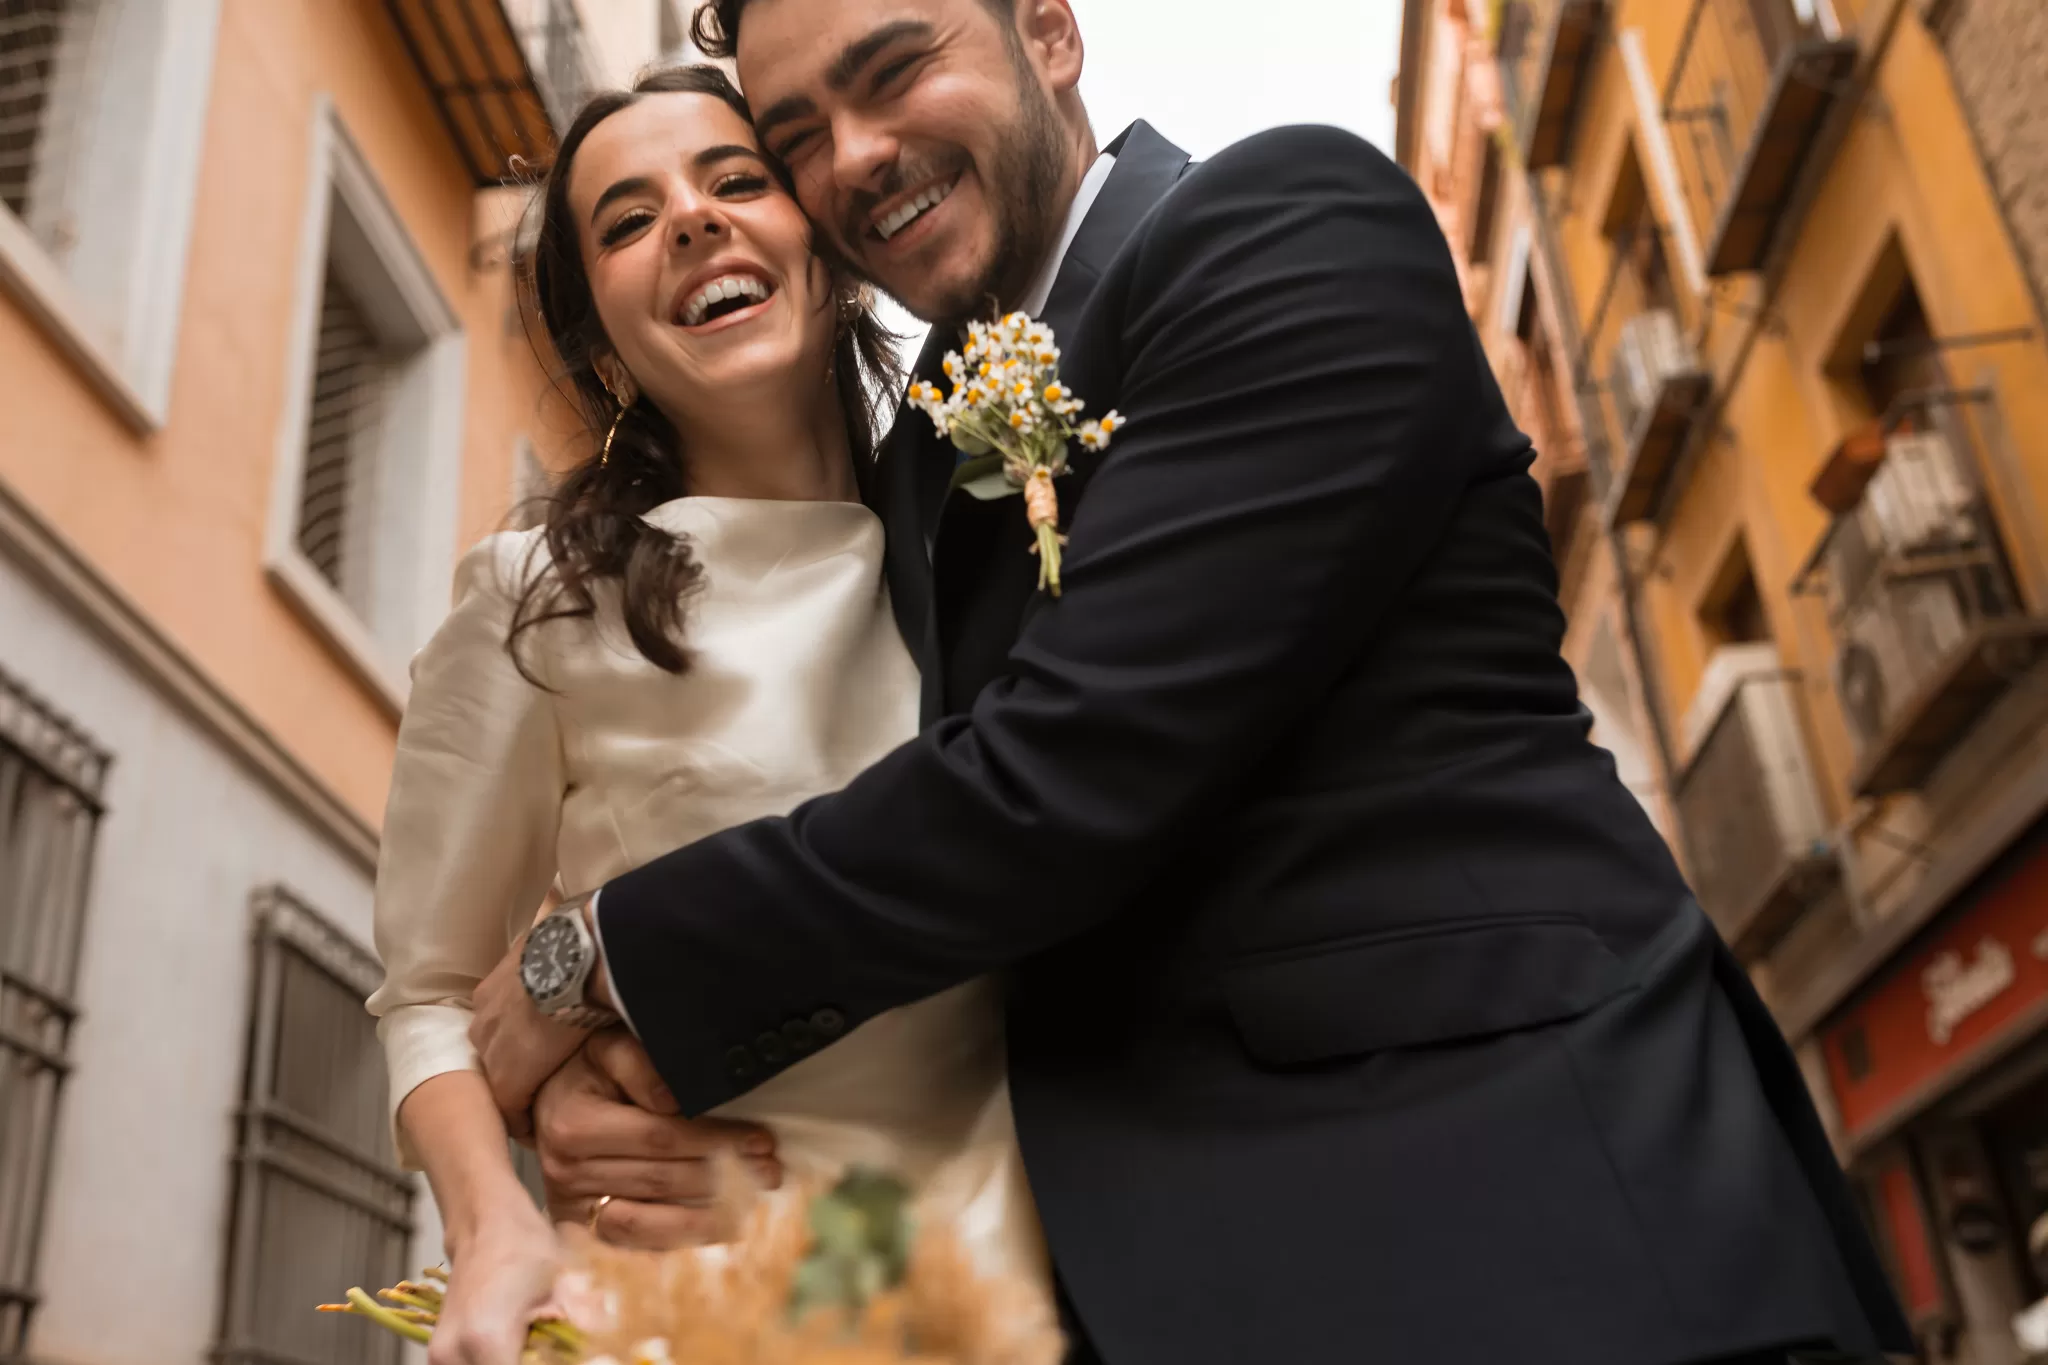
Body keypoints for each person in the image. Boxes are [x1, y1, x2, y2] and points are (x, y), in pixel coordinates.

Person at [470, 2, 1916, 1363]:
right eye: (796, 135)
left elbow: (1061, 780)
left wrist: (602, 961)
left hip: (1521, 1234)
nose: (851, 156)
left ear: (1051, 32)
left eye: (895, 70)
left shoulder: (1285, 226)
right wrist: (626, 1077)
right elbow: (851, 819)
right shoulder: (908, 463)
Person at [366, 65, 1051, 1365]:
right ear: (600, 339)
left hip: (1022, 1292)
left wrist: (579, 970)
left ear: (829, 247)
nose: (690, 219)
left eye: (736, 181)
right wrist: (496, 1221)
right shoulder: (542, 597)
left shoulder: (996, 535)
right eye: (627, 222)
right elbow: (429, 996)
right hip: (702, 1309)